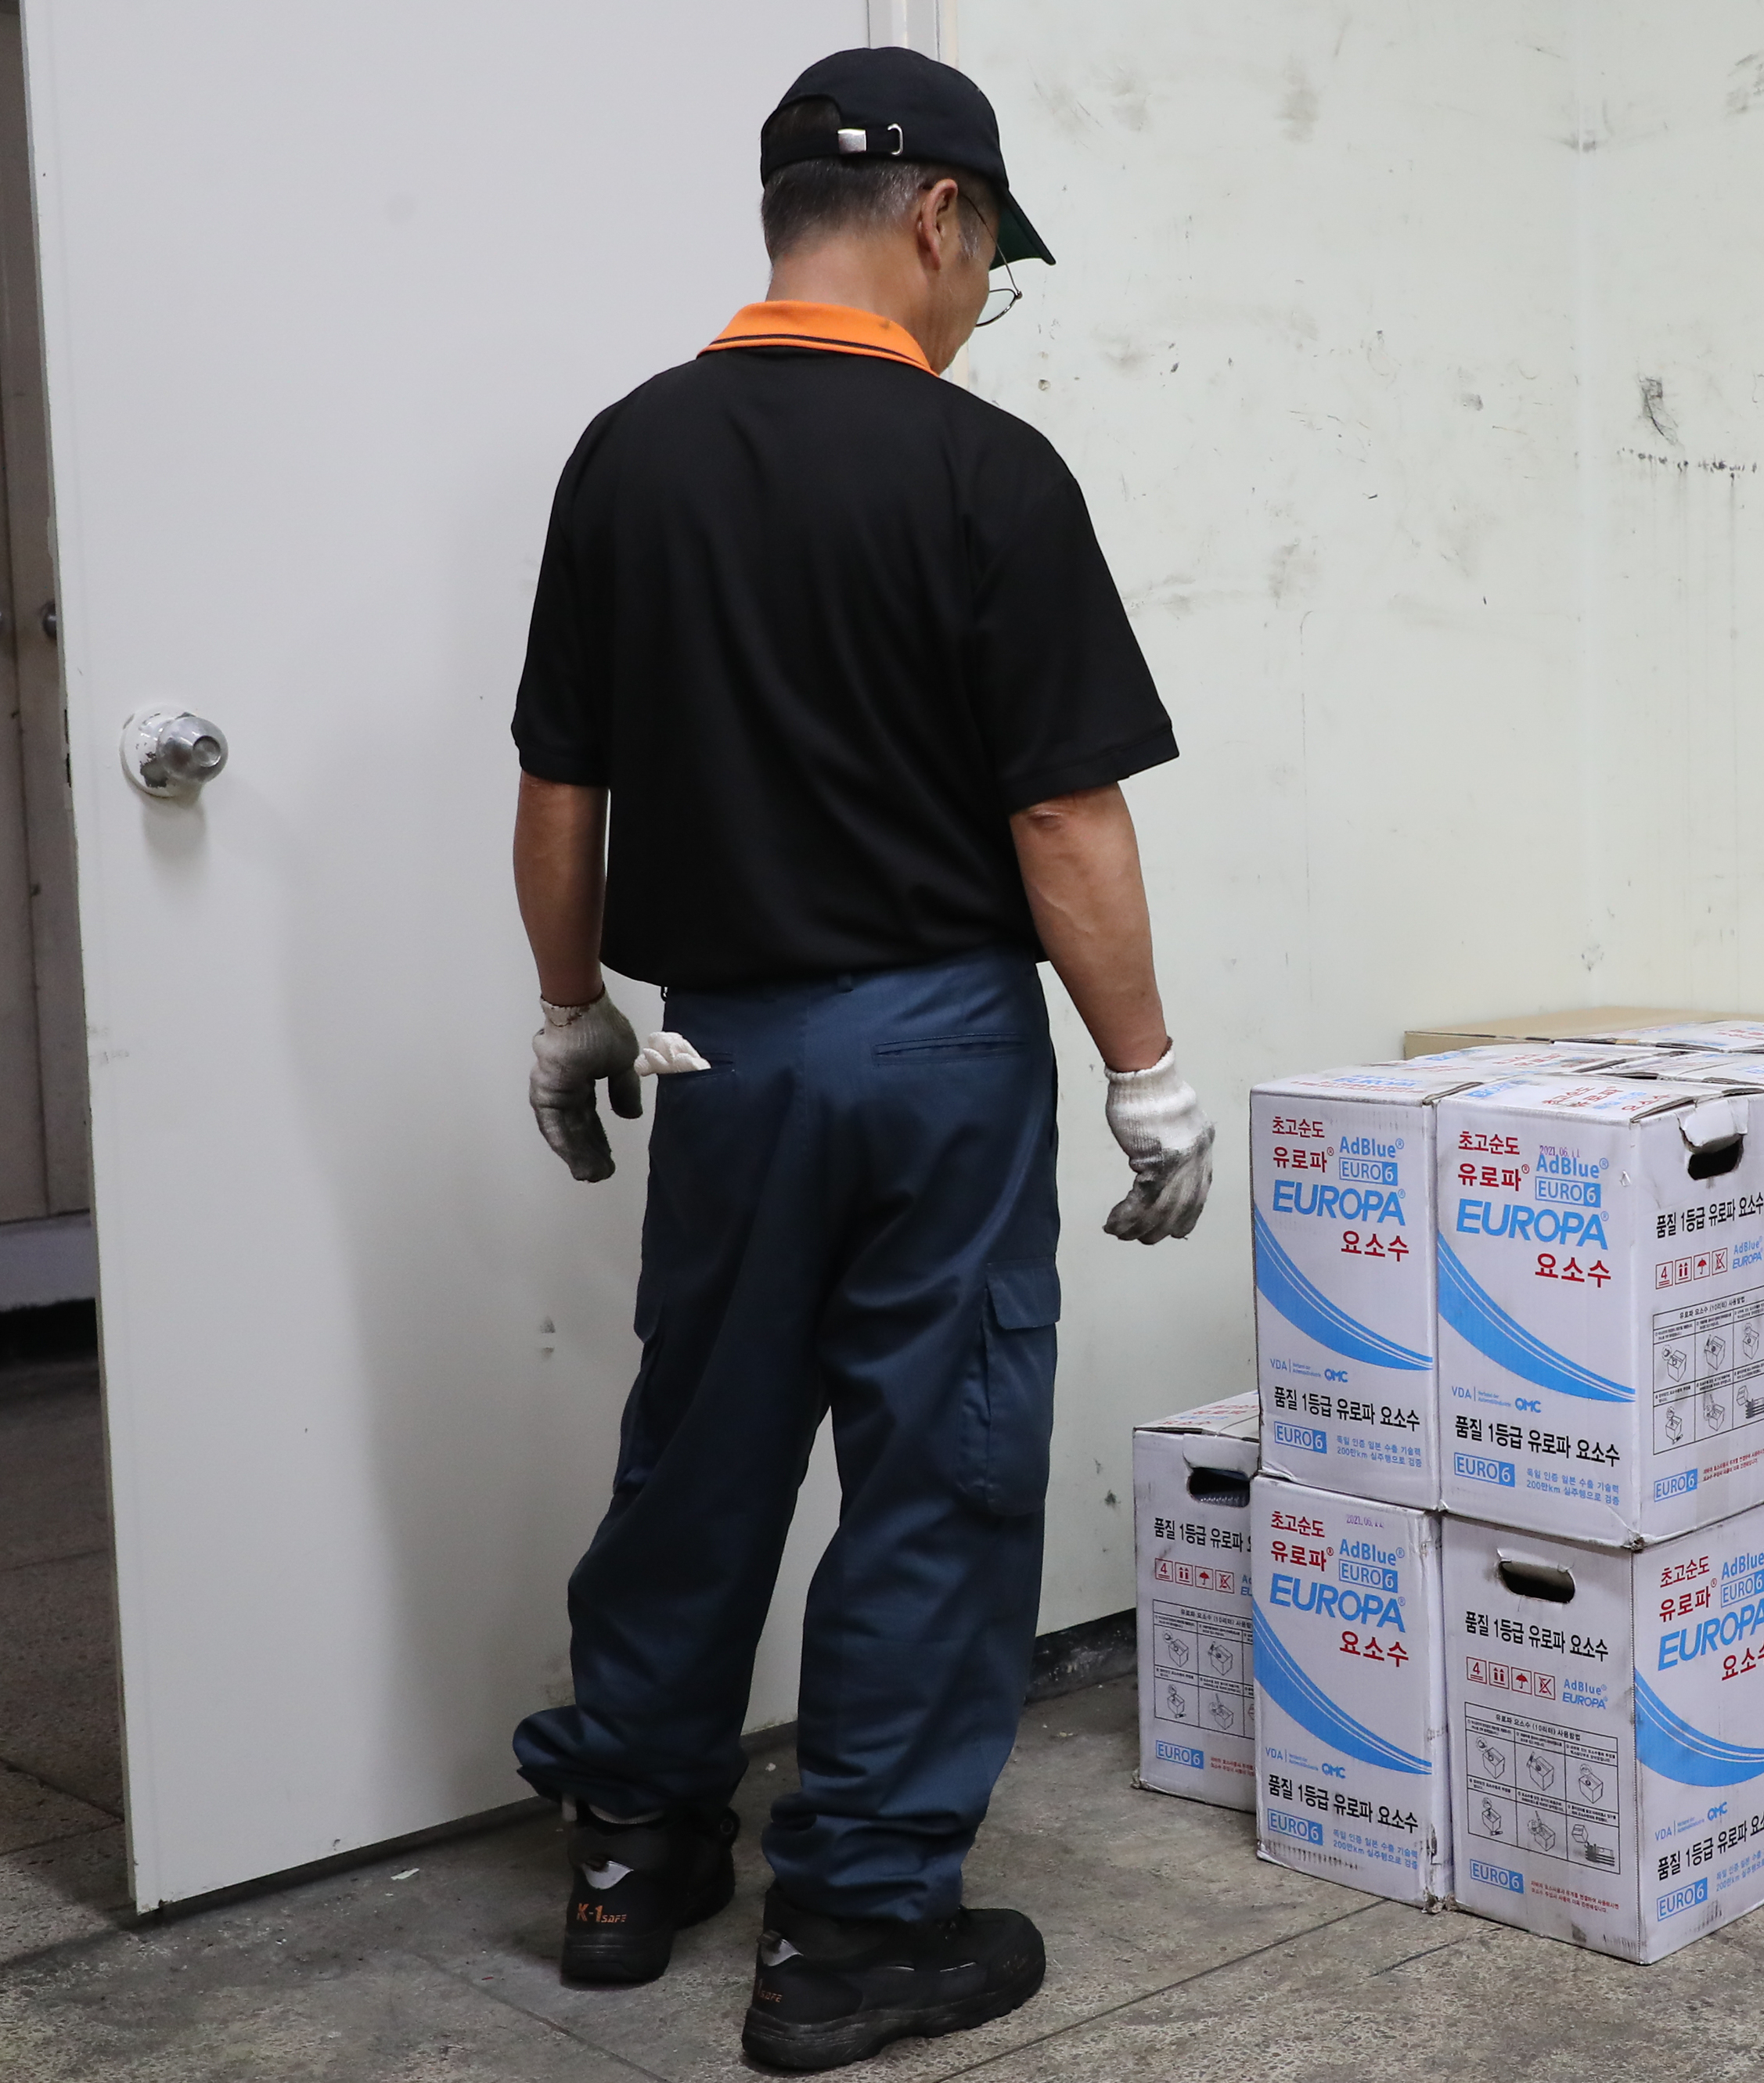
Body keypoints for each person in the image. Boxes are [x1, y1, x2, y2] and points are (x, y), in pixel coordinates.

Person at [500, 46, 1211, 2073]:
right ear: (938, 218)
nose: (981, 297)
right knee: (938, 1464)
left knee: (701, 1440)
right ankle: (860, 1929)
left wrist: (569, 1003)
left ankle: (631, 1850)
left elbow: (562, 784)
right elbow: (1061, 814)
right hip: (933, 1048)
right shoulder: (988, 474)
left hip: (720, 1051)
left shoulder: (626, 455)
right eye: (988, 256)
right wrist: (1145, 1069)